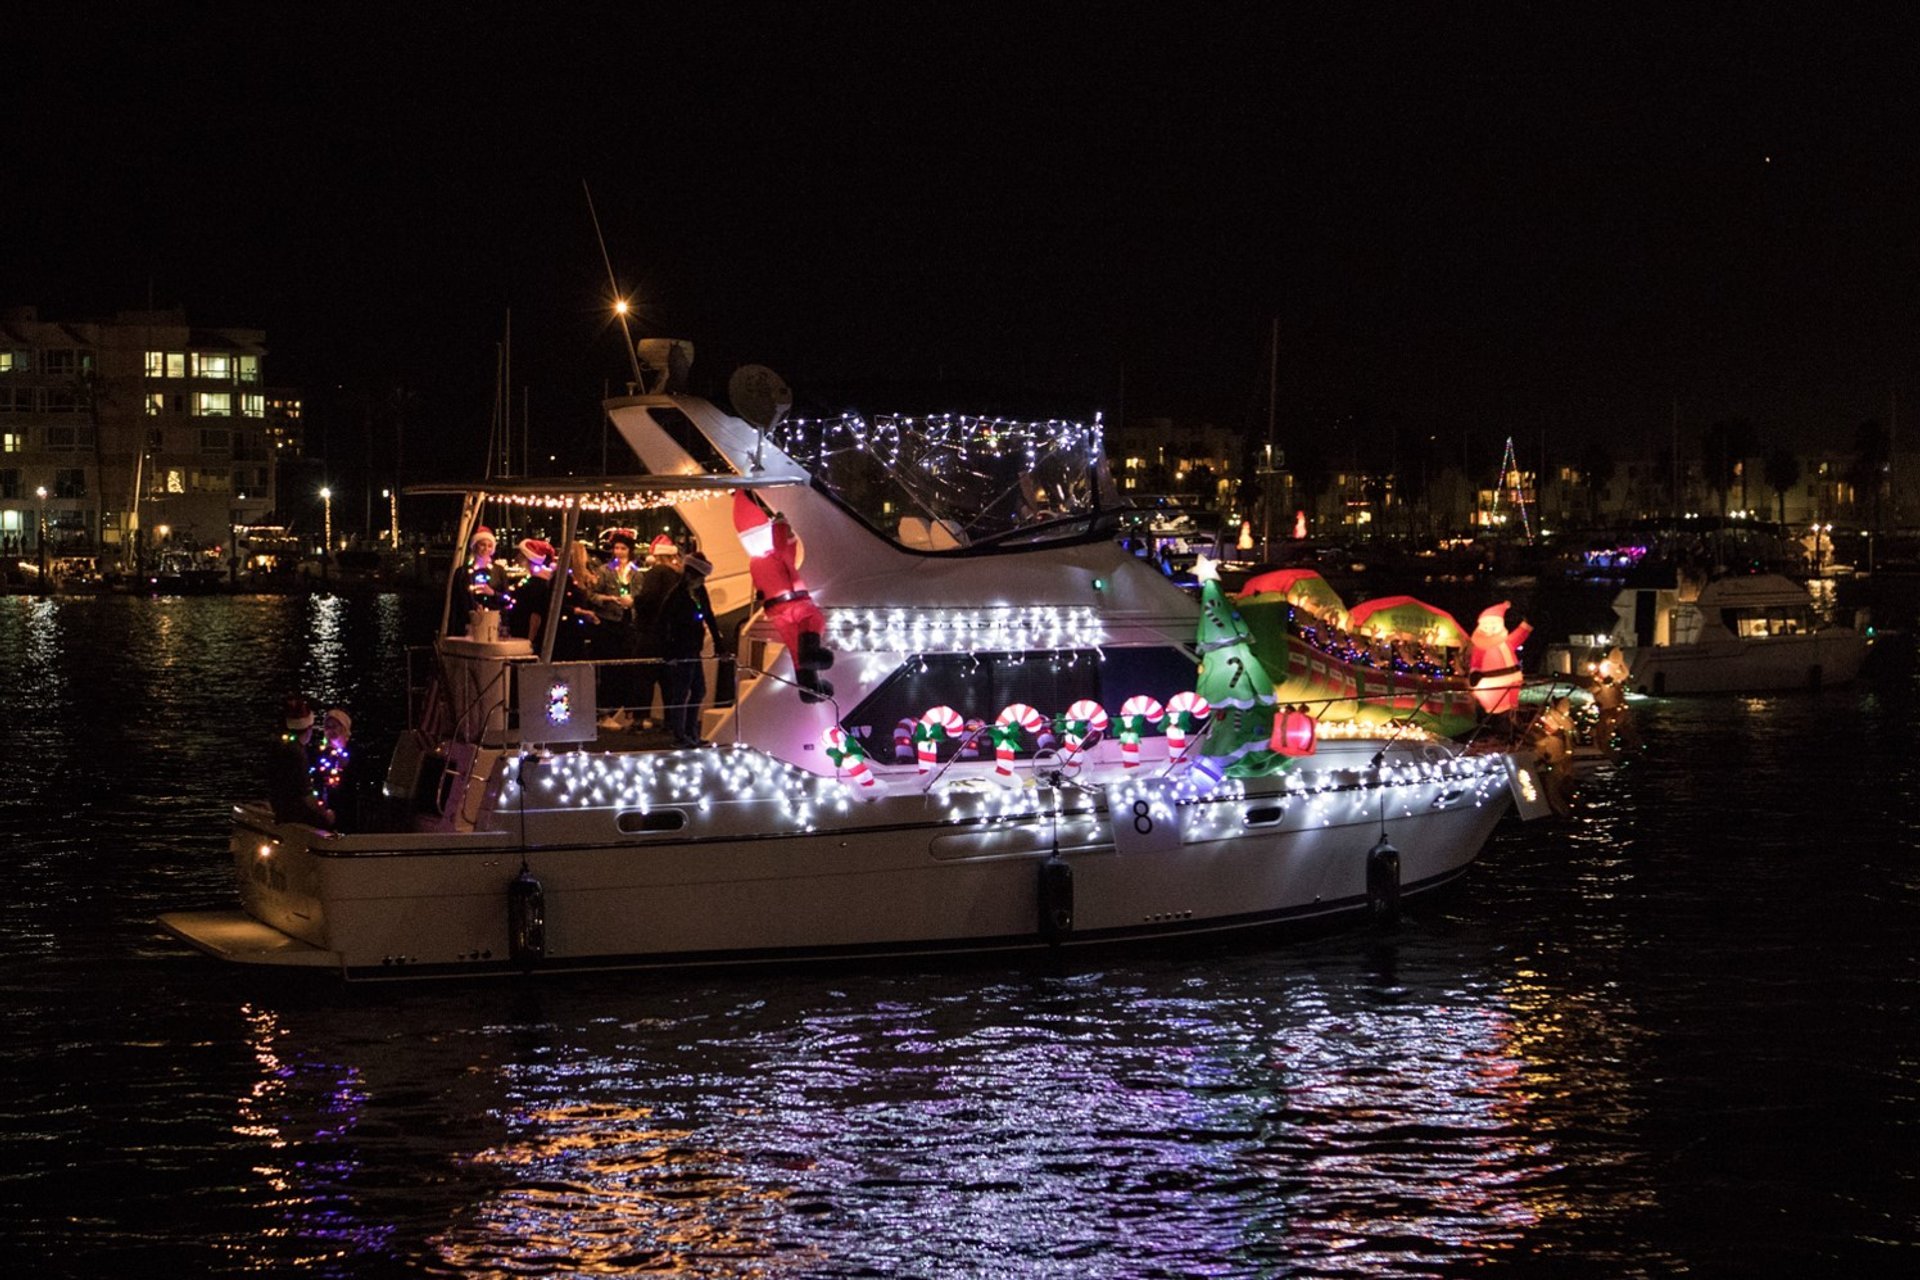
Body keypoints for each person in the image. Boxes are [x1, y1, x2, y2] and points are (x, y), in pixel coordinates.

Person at [658, 549, 718, 746]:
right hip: (681, 649)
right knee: (682, 692)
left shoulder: (699, 591)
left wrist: (718, 642)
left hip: (693, 648)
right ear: (692, 574)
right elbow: (663, 621)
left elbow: (708, 615)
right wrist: (668, 650)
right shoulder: (677, 594)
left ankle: (690, 732)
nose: (703, 580)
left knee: (698, 690)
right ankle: (680, 734)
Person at [265, 694, 333, 828]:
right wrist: (325, 814)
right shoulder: (297, 753)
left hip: (281, 813)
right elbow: (306, 796)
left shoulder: (281, 747)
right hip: (297, 818)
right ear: (308, 729)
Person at [553, 540, 603, 662]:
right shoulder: (563, 579)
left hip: (579, 628)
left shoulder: (581, 578)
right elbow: (558, 604)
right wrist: (580, 611)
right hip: (568, 629)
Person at [313, 706, 359, 831]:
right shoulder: (322, 753)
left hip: (348, 807)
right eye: (328, 727)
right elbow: (317, 779)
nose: (331, 731)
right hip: (326, 807)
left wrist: (346, 769)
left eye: (335, 726)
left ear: (344, 728)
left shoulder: (353, 751)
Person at [451, 527, 502, 638]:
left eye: (489, 546)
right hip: (467, 623)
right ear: (474, 546)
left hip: (492, 623)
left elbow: (507, 598)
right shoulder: (463, 572)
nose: (486, 549)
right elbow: (456, 601)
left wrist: (493, 593)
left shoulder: (499, 571)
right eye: (482, 545)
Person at [506, 538, 556, 642]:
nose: (517, 558)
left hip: (526, 635)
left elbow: (535, 615)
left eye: (521, 554)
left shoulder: (535, 584)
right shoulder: (539, 580)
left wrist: (530, 640)